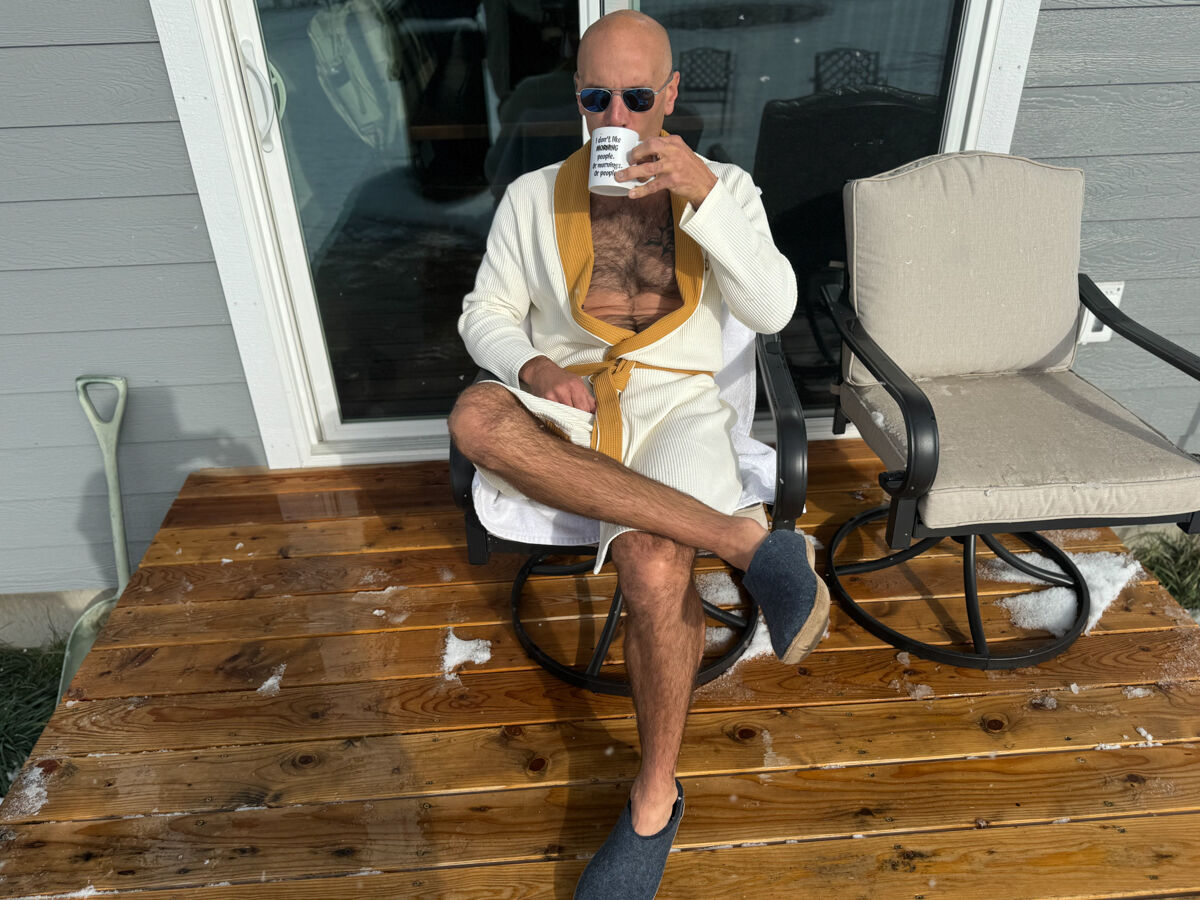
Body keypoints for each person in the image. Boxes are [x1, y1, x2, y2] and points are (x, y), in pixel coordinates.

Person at [448, 11, 829, 898]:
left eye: (633, 96)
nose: (613, 118)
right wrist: (531, 362)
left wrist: (705, 197)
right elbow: (484, 313)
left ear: (670, 94)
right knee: (475, 414)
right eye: (593, 97)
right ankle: (746, 545)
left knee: (658, 570)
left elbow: (773, 310)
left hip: (679, 406)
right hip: (570, 406)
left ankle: (653, 801)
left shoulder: (724, 186)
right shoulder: (533, 196)